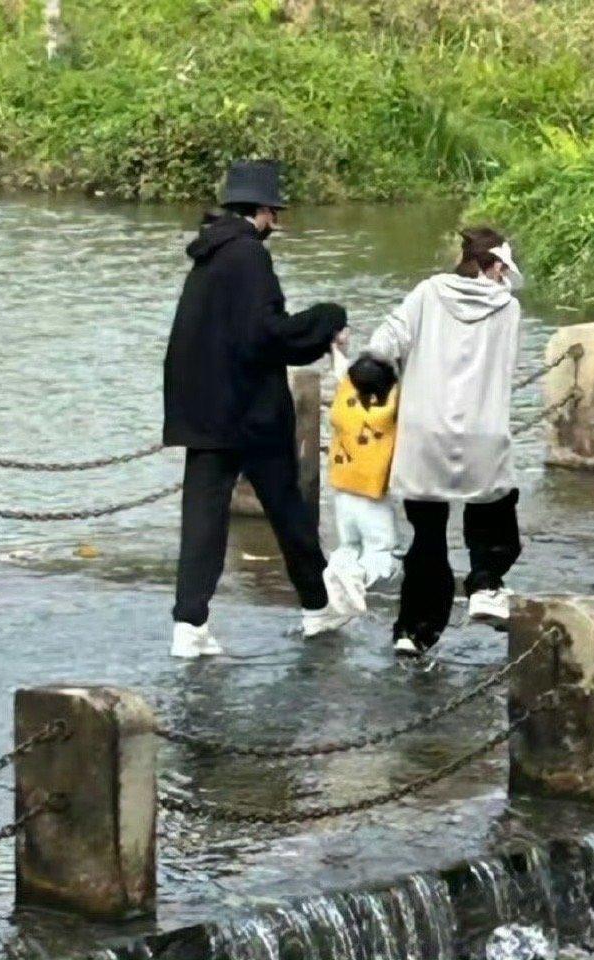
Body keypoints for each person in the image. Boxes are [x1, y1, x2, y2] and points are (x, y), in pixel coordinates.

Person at [163, 160, 352, 658]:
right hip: (249, 413)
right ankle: (317, 607)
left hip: (202, 411)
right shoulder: (248, 257)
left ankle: (189, 624)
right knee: (289, 512)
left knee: (201, 521)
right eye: (275, 213)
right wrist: (328, 317)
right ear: (266, 210)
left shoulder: (208, 255)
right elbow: (269, 335)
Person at [365, 226, 524, 657]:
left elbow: (383, 344)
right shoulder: (508, 309)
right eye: (503, 271)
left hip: (424, 438)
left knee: (427, 537)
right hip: (482, 436)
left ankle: (413, 632)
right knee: (495, 522)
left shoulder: (426, 294)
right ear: (492, 267)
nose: (505, 280)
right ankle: (485, 585)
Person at [323, 346, 402, 616]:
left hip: (342, 490)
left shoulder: (344, 399)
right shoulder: (389, 412)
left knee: (348, 545)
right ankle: (359, 584)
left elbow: (342, 370)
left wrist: (336, 347)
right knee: (380, 549)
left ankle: (336, 578)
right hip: (372, 496)